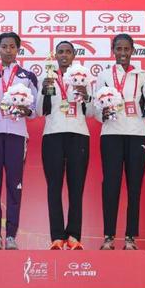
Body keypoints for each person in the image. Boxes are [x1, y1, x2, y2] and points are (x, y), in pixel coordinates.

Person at [0, 32, 38, 250]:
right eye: (4, 46)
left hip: (17, 135)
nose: (8, 50)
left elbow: (35, 110)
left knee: (14, 185)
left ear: (18, 49)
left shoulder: (27, 76)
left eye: (12, 46)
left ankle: (11, 235)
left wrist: (25, 110)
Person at [95, 33, 145, 251]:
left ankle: (130, 237)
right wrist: (102, 113)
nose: (122, 53)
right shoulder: (104, 75)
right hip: (111, 134)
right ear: (113, 51)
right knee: (111, 185)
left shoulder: (143, 75)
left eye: (126, 49)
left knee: (134, 186)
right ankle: (109, 236)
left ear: (133, 51)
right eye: (118, 49)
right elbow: (95, 109)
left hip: (137, 133)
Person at [36, 42, 93, 250]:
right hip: (52, 135)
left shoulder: (84, 77)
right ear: (56, 56)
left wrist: (85, 94)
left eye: (68, 52)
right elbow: (39, 111)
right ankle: (57, 237)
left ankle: (74, 235)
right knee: (54, 188)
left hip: (79, 135)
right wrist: (44, 90)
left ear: (74, 55)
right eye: (60, 52)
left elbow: (92, 112)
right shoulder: (48, 77)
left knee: (76, 188)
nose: (64, 55)